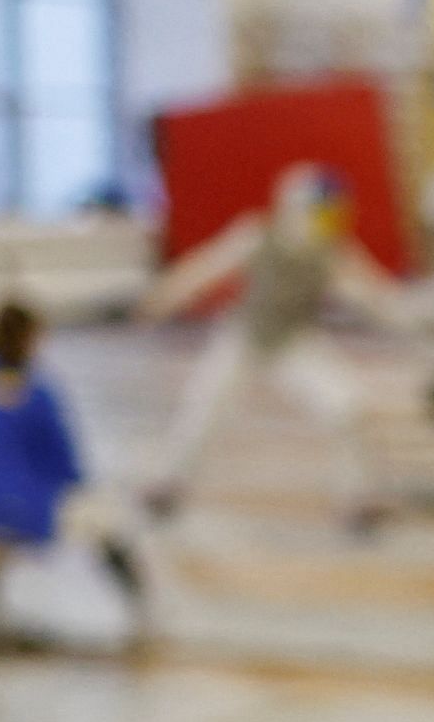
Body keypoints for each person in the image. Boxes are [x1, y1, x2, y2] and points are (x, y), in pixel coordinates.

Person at [139, 162, 415, 532]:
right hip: (243, 337)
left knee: (347, 407)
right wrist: (163, 297)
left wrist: (422, 317)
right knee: (204, 407)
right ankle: (166, 484)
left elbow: (379, 300)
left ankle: (360, 497)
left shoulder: (333, 253)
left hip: (295, 341)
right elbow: (207, 267)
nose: (329, 220)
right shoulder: (257, 235)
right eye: (323, 210)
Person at [0, 301, 147, 627]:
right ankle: (142, 614)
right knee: (106, 519)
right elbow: (66, 467)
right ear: (30, 339)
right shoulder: (36, 392)